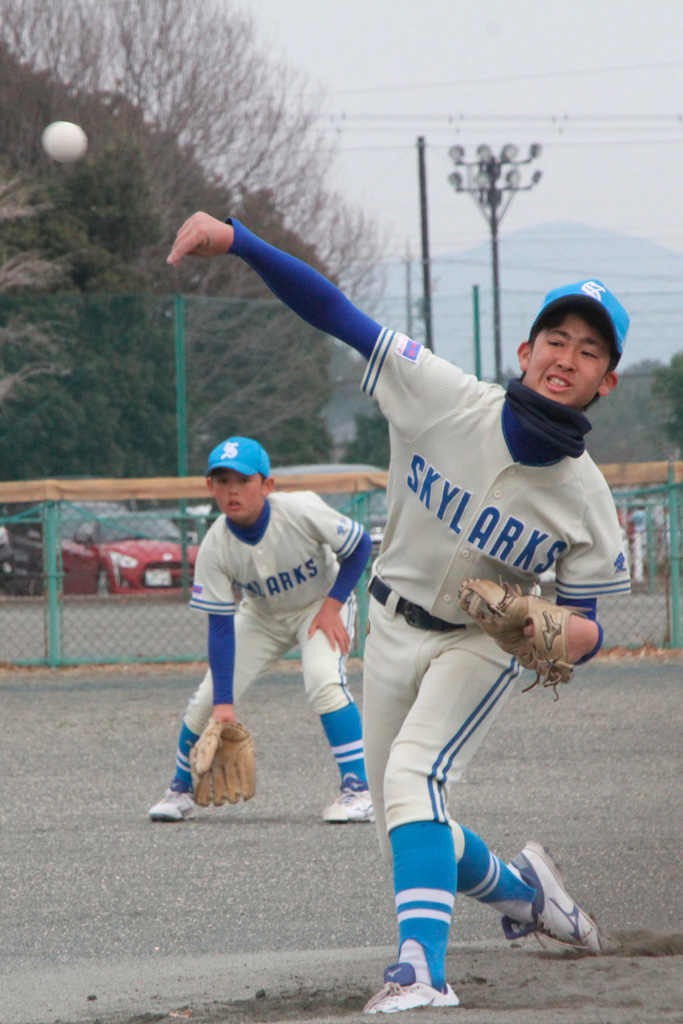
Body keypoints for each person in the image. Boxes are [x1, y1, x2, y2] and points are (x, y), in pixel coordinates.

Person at [167, 214, 631, 1014]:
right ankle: (527, 896)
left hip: (477, 647)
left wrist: (549, 628)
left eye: (589, 351)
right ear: (525, 353)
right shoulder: (442, 396)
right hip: (386, 629)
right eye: (555, 338)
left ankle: (421, 971)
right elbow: (335, 313)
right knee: (402, 823)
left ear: (605, 382)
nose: (568, 357)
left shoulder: (588, 500)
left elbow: (588, 629)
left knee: (415, 779)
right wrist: (239, 242)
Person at [149, 435, 374, 826]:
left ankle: (360, 790)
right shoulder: (215, 545)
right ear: (210, 488)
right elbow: (220, 629)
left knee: (323, 679)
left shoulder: (300, 509)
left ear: (267, 485)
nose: (232, 490)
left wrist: (334, 605)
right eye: (222, 481)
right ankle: (180, 789)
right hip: (262, 616)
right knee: (206, 702)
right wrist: (224, 705)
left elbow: (359, 546)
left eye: (243, 480)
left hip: (319, 606)